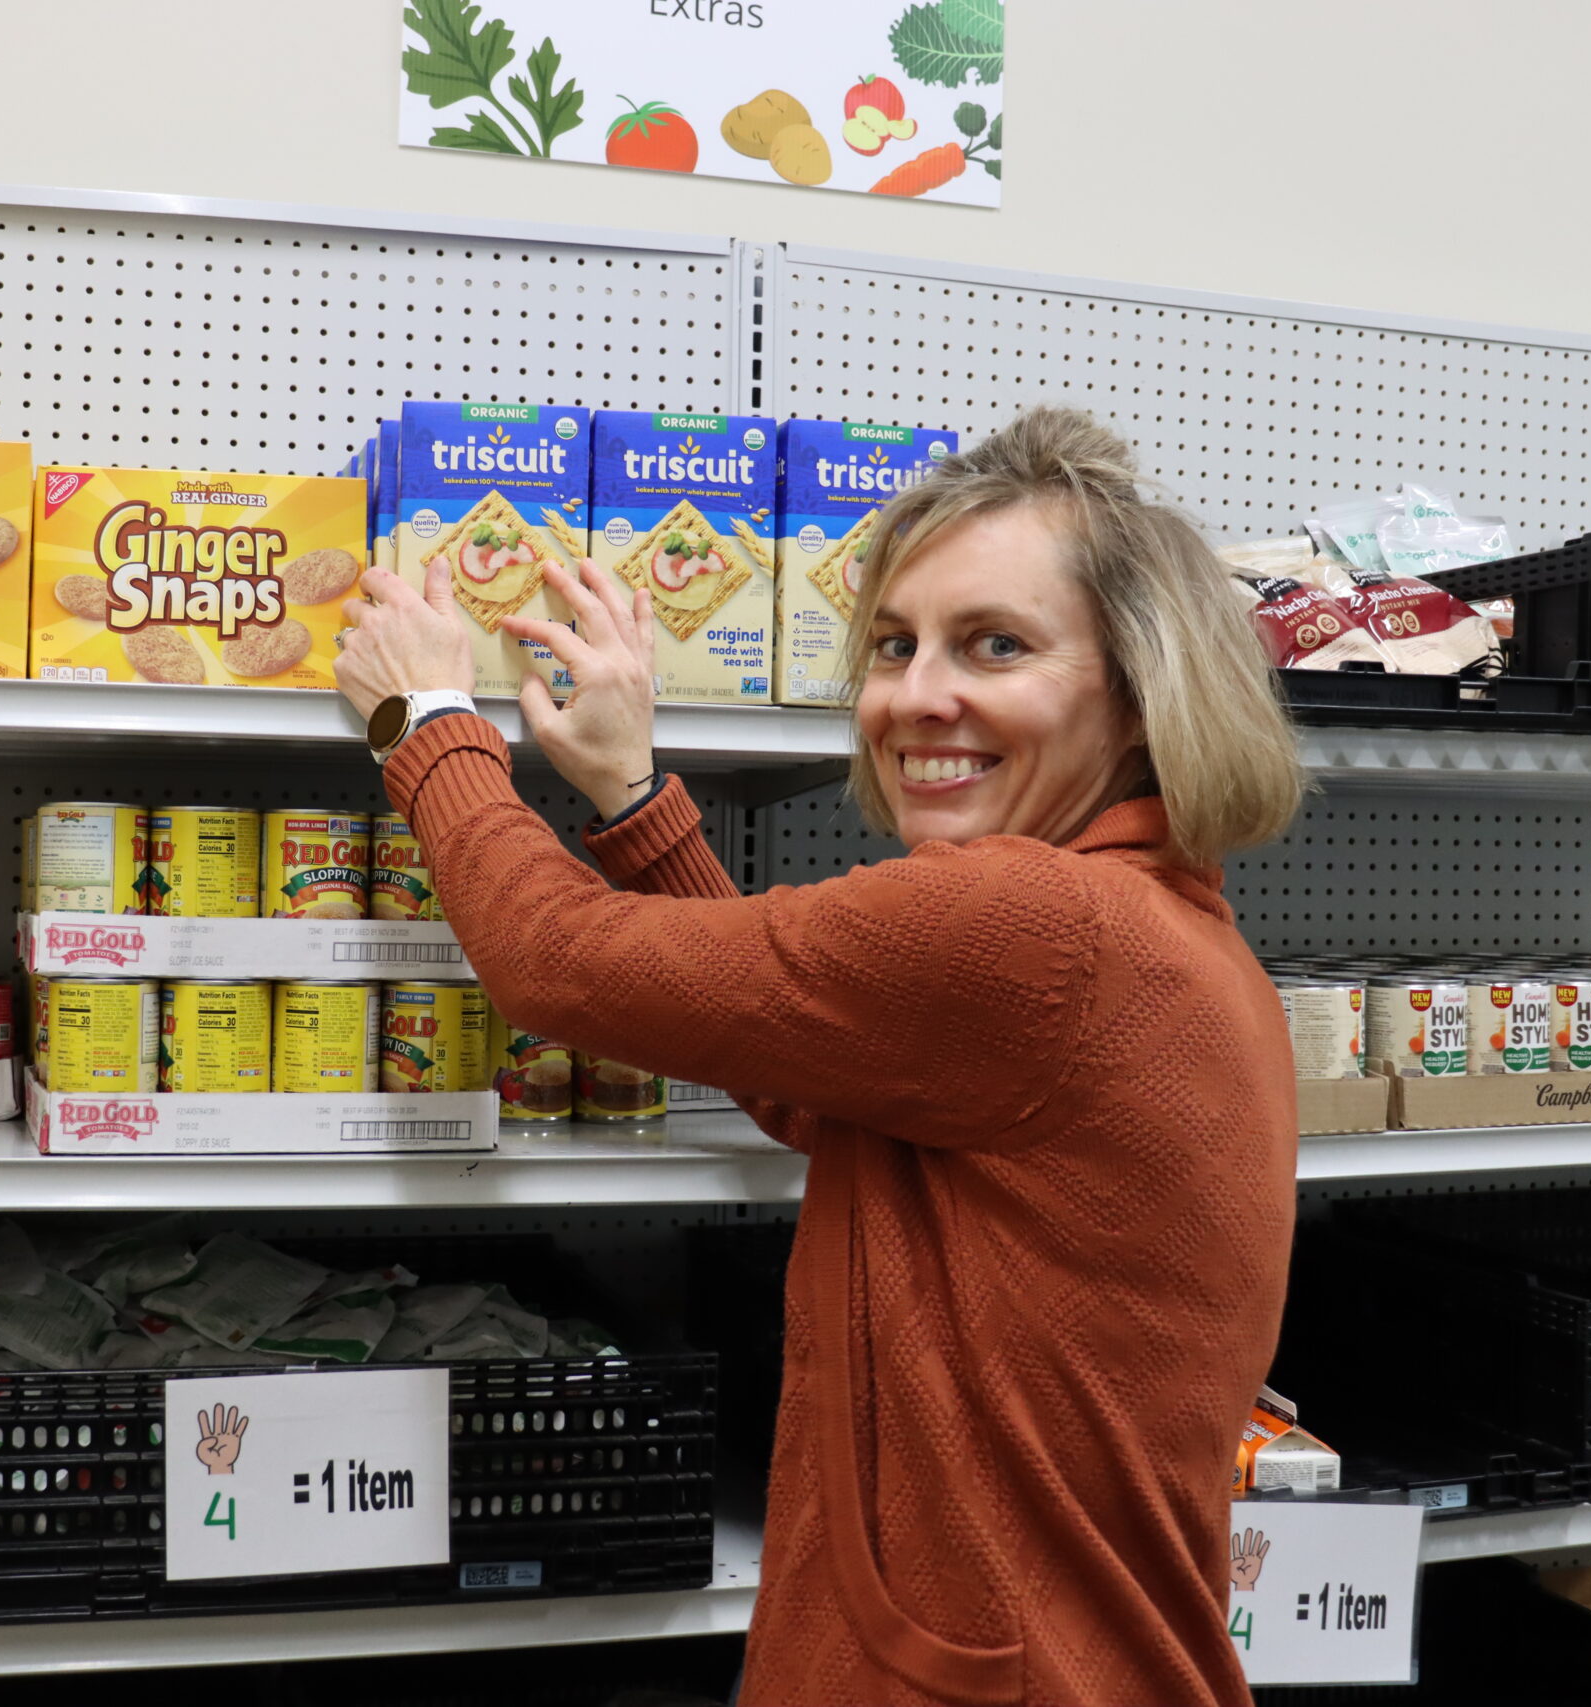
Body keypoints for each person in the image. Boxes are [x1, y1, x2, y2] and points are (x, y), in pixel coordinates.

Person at [336, 406, 1303, 1707]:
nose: (917, 695)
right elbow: (809, 1074)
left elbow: (556, 964)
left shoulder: (1038, 926)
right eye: (895, 645)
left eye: (995, 646)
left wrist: (428, 723)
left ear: (1139, 691)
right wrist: (633, 800)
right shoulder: (1158, 931)